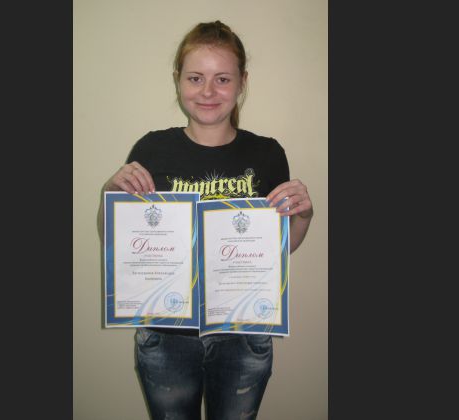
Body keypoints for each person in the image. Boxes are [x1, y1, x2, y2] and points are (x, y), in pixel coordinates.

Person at [100, 20, 313, 420]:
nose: (208, 91)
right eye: (195, 78)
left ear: (242, 82)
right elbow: (118, 242)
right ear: (178, 80)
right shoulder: (152, 148)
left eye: (222, 79)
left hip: (243, 333)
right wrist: (111, 194)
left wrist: (303, 215)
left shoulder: (267, 154)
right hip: (166, 334)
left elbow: (280, 249)